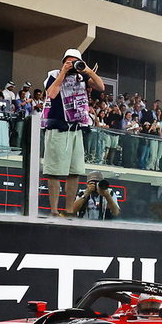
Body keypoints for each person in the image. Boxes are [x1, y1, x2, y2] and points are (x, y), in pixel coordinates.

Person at [41, 48, 104, 216]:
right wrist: (63, 72)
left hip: (76, 128)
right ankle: (54, 210)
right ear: (63, 62)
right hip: (58, 128)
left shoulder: (82, 77)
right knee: (54, 172)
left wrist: (88, 70)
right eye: (69, 61)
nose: (72, 65)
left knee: (74, 172)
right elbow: (51, 94)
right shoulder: (54, 75)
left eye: (75, 61)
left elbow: (101, 86)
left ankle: (69, 210)